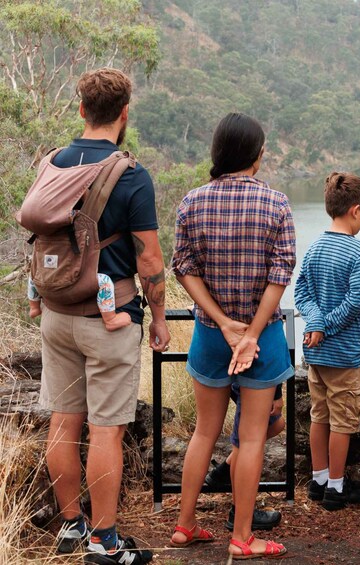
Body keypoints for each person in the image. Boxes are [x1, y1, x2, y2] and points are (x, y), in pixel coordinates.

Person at [38, 68, 170, 564]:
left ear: (80, 110)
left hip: (56, 313)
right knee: (106, 429)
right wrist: (158, 318)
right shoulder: (130, 174)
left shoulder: (52, 163)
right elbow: (150, 261)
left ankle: (71, 526)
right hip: (108, 319)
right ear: (124, 114)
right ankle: (105, 541)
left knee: (63, 422)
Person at [170, 113, 295, 559]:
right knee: (253, 436)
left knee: (204, 433)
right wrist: (251, 333)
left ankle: (185, 525)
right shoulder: (276, 204)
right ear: (257, 156)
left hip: (209, 336)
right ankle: (242, 537)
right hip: (263, 341)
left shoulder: (192, 201)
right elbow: (280, 275)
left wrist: (222, 323)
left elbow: (183, 268)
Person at [294, 172, 360, 511]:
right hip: (345, 354)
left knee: (320, 416)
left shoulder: (315, 247)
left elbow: (301, 291)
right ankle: (336, 489)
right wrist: (325, 325)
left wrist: (316, 322)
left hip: (317, 353)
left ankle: (319, 479)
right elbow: (355, 302)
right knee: (342, 421)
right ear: (355, 210)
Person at [204, 383, 286, 531]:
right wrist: (277, 394)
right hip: (253, 376)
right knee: (247, 442)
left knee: (276, 424)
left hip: (226, 370)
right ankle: (241, 515)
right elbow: (269, 360)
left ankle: (223, 472)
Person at [28, 273, 131, 331]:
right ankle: (110, 319)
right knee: (105, 281)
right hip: (71, 269)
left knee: (33, 275)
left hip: (49, 269)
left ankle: (34, 307)